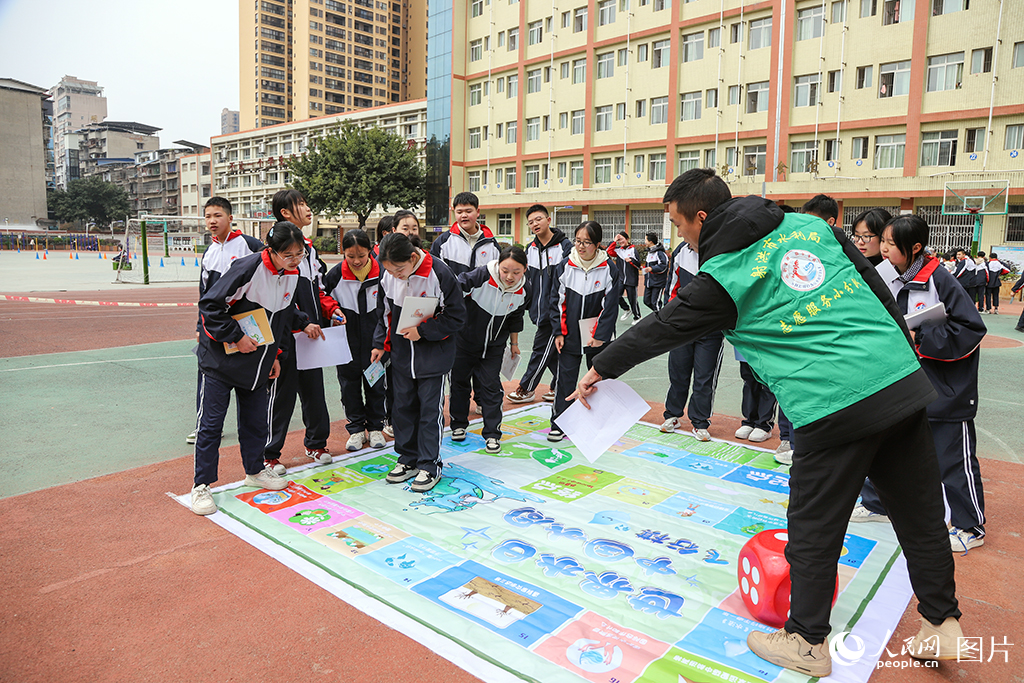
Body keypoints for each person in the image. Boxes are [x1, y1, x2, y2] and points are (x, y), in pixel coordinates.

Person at [571, 169, 966, 676]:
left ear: (702, 217)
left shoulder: (726, 274)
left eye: (678, 223)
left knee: (814, 527)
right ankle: (941, 624)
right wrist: (896, 344)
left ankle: (805, 641)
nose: (678, 236)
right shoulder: (810, 227)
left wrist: (601, 367)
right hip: (898, 380)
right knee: (919, 512)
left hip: (832, 400)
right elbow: (873, 284)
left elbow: (665, 326)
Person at [852, 216, 987, 553]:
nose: (881, 248)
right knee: (885, 446)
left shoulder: (939, 279)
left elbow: (971, 330)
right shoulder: (883, 275)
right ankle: (876, 503)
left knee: (952, 458)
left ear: (914, 248)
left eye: (889, 244)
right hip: (897, 383)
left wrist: (921, 336)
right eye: (880, 240)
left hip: (942, 389)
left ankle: (970, 525)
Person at [191, 222, 325, 516]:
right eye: (287, 255)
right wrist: (236, 337)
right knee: (212, 425)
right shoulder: (248, 268)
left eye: (299, 253)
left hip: (257, 362)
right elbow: (210, 305)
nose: (294, 260)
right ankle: (201, 485)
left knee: (255, 422)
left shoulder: (293, 273)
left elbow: (282, 316)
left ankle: (254, 471)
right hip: (221, 360)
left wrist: (275, 354)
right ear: (271, 251)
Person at [371, 233, 466, 492]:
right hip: (402, 357)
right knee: (402, 409)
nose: (396, 275)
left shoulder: (439, 273)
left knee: (428, 412)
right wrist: (380, 343)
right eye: (390, 271)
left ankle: (429, 464)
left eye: (400, 270)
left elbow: (457, 316)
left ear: (413, 257)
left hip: (432, 358)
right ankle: (407, 459)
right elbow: (385, 313)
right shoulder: (388, 276)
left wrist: (423, 331)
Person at [262, 190, 337, 474]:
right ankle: (268, 454)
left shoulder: (310, 249)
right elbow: (276, 297)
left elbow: (318, 290)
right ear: (285, 212)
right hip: (285, 334)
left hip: (311, 333)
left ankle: (316, 444)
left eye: (307, 202)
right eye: (301, 204)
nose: (308, 208)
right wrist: (300, 320)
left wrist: (331, 310)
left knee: (314, 391)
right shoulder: (273, 249)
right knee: (281, 395)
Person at [187, 197, 264, 445]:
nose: (212, 221)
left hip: (246, 325)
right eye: (208, 216)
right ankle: (205, 425)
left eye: (217, 215)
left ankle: (257, 434)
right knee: (208, 375)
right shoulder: (209, 252)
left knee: (250, 378)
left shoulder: (250, 246)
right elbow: (204, 294)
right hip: (215, 328)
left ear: (230, 218)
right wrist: (201, 326)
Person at [450, 246, 532, 453]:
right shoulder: (481, 275)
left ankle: (493, 434)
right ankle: (458, 425)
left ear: (525, 269)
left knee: (491, 387)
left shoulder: (525, 289)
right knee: (459, 383)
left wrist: (514, 344)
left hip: (495, 346)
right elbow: (454, 289)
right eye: (505, 271)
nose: (510, 277)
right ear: (498, 265)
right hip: (464, 342)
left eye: (516, 272)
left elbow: (516, 316)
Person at [548, 221, 623, 442]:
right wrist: (559, 332)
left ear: (598, 244)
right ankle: (560, 423)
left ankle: (595, 423)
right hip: (569, 333)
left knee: (597, 379)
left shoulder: (610, 268)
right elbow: (556, 301)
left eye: (587, 242)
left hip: (596, 336)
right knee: (565, 379)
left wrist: (600, 336)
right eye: (578, 241)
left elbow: (610, 306)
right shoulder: (565, 266)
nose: (581, 247)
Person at [323, 229, 387, 452]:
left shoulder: (382, 273)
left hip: (375, 342)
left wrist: (383, 340)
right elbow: (321, 295)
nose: (357, 261)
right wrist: (332, 309)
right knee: (348, 386)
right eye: (350, 256)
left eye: (362, 255)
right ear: (344, 254)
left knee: (376, 384)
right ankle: (357, 429)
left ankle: (377, 426)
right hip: (346, 342)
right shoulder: (335, 275)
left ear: (370, 250)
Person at [659, 238, 724, 442]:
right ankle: (672, 415)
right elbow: (672, 289)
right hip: (682, 328)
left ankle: (700, 422)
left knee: (704, 378)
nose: (680, 231)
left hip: (711, 329)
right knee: (678, 373)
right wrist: (670, 321)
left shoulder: (721, 250)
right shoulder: (681, 251)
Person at [507, 205, 572, 405]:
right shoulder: (530, 250)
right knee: (550, 353)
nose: (535, 224)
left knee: (540, 349)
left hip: (558, 311)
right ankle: (561, 386)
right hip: (538, 310)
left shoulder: (565, 247)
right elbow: (527, 280)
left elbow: (569, 280)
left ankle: (526, 388)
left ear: (548, 220)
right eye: (531, 222)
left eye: (538, 219)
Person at [430, 192, 499, 277]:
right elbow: (433, 274)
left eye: (468, 211)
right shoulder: (443, 242)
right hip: (452, 290)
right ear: (454, 212)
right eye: (459, 212)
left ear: (477, 212)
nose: (464, 215)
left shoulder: (491, 244)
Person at [607, 231, 641, 323]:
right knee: (616, 296)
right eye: (619, 240)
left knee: (632, 300)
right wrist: (614, 241)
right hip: (620, 279)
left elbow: (638, 265)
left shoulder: (633, 250)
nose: (620, 241)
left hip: (631, 279)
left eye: (622, 239)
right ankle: (626, 309)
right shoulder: (619, 250)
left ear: (627, 239)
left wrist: (631, 260)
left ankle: (637, 317)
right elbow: (609, 251)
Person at [641, 232, 669, 313]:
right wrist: (644, 268)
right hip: (649, 283)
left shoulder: (660, 253)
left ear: (650, 241)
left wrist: (652, 268)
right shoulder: (649, 252)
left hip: (658, 283)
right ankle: (659, 315)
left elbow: (664, 266)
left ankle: (660, 320)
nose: (645, 242)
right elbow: (647, 267)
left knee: (655, 303)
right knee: (646, 301)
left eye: (645, 239)